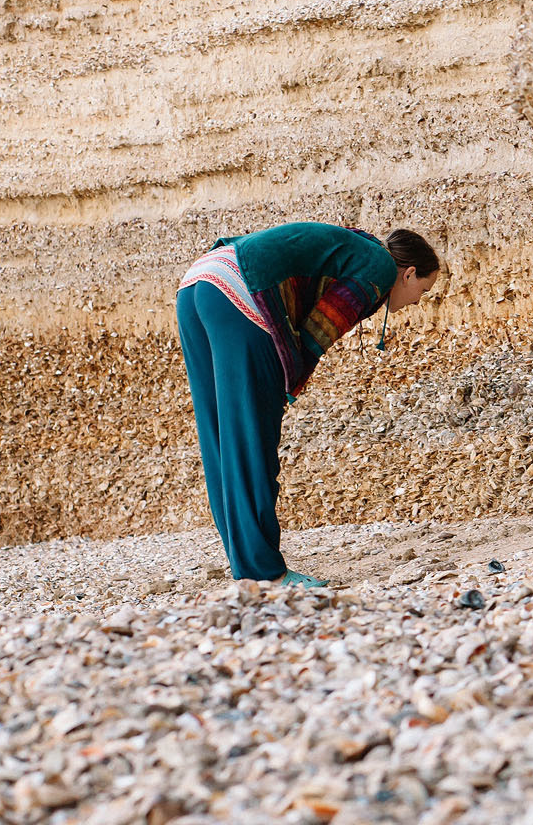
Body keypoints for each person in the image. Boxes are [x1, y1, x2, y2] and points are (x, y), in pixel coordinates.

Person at [176, 222, 441, 586]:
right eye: (423, 290)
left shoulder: (356, 248)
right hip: (240, 292)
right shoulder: (379, 267)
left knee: (221, 435)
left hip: (198, 282)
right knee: (254, 440)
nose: (417, 301)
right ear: (408, 273)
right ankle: (266, 572)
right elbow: (320, 330)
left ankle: (249, 566)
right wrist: (287, 383)